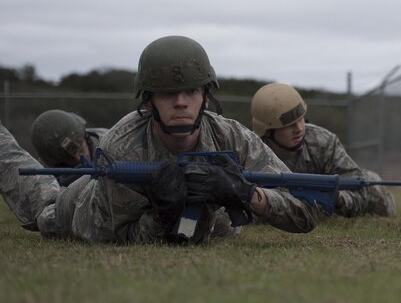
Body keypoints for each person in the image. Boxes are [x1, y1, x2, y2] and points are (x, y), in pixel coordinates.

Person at [55, 35, 320, 243]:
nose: (180, 103)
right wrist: (163, 214)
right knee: (45, 211)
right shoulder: (120, 148)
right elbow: (114, 236)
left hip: (210, 229)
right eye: (168, 94)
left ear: (205, 96)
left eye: (191, 91)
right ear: (148, 101)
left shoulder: (230, 137)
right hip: (78, 207)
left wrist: (246, 192)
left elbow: (305, 213)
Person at [251, 82, 396, 218]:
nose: (299, 129)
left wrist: (337, 199)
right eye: (289, 125)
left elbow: (357, 189)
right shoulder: (251, 154)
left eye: (301, 119)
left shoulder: (322, 142)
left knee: (372, 184)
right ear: (267, 130)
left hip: (341, 203)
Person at [0, 111, 108, 233]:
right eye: (68, 159)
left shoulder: (109, 142)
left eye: (80, 150)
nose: (78, 158)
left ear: (85, 136)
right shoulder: (51, 175)